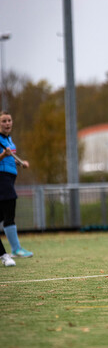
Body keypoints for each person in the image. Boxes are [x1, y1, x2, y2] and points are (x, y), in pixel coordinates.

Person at [0, 110, 33, 258]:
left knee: (4, 213)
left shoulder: (9, 140)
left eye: (9, 120)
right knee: (10, 209)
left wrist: (20, 163)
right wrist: (3, 154)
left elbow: (9, 159)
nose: (7, 123)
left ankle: (15, 249)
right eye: (4, 121)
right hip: (2, 178)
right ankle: (16, 249)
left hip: (10, 178)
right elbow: (3, 158)